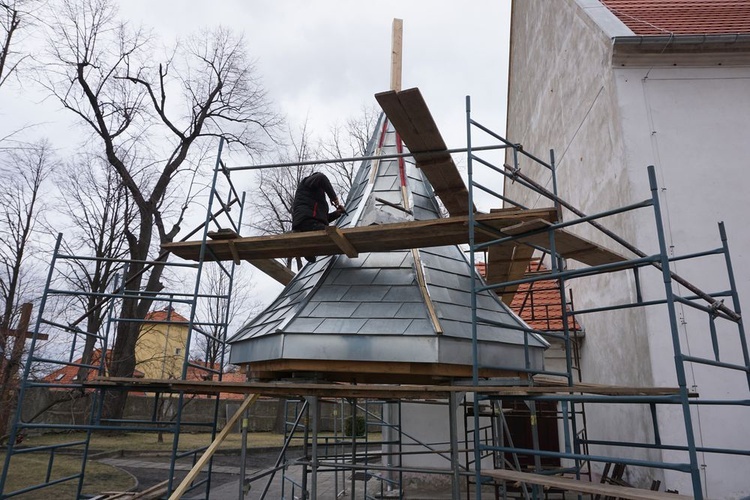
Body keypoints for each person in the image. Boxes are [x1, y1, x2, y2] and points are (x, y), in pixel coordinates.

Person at [291, 172, 346, 262]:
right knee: (334, 238)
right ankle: (308, 250)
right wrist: (333, 197)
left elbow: (322, 218)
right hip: (307, 221)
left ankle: (308, 249)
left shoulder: (315, 199)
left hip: (309, 223)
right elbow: (321, 177)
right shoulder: (306, 183)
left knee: (322, 231)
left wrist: (337, 213)